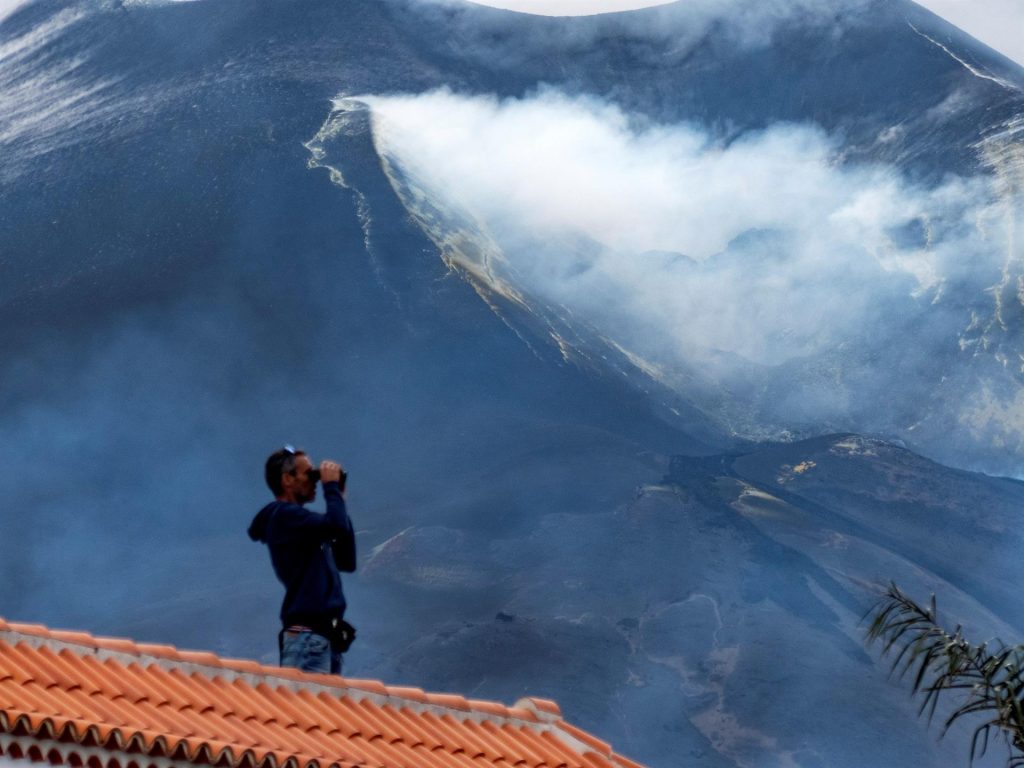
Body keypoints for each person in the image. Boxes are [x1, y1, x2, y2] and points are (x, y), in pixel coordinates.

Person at [248, 445, 356, 675]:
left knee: (322, 712)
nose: (315, 480)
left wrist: (339, 498)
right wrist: (331, 489)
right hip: (307, 638)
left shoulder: (304, 525)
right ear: (287, 479)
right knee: (308, 710)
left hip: (322, 638)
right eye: (309, 473)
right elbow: (335, 526)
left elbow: (346, 561)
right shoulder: (282, 516)